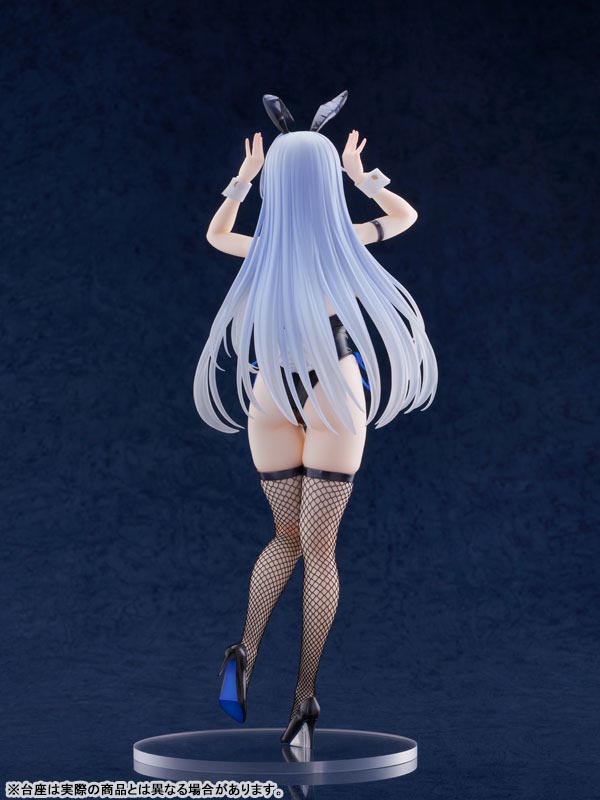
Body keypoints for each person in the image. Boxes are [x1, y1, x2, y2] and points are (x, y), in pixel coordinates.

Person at [194, 91, 438, 749]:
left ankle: (244, 650)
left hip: (272, 391)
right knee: (320, 548)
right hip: (333, 386)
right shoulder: (345, 241)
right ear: (327, 182)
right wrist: (365, 178)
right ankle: (304, 698)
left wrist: (240, 182)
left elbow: (216, 235)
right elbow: (405, 216)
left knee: (285, 535)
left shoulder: (265, 248)